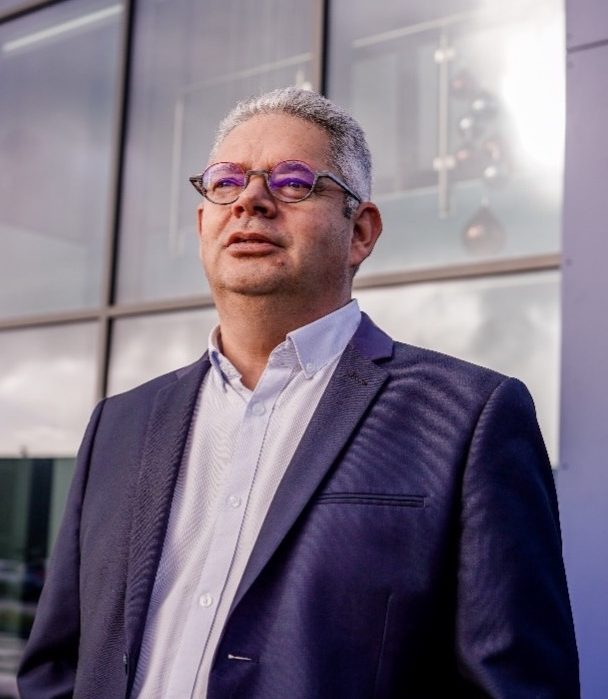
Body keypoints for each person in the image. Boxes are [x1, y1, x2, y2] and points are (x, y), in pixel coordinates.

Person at [18, 87, 579, 698]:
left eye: (293, 182)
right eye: (226, 181)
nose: (251, 202)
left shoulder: (469, 418)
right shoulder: (118, 426)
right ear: (204, 220)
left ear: (361, 231)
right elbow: (57, 669)